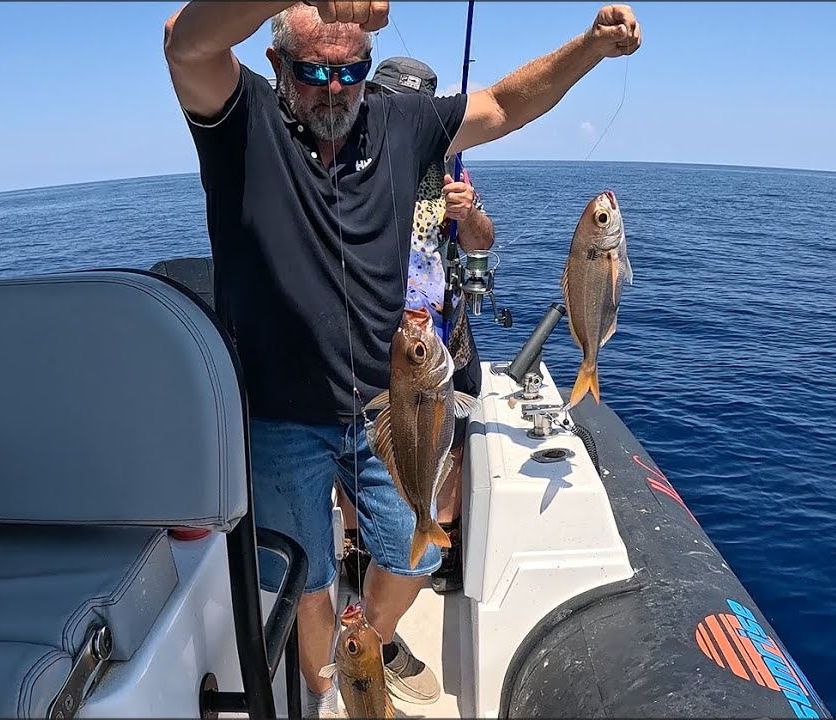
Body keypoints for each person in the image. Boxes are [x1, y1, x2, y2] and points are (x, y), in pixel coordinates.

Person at [163, 2, 641, 715]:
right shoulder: (242, 124)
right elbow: (187, 43)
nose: (335, 88)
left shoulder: (400, 124)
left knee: (418, 548)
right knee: (307, 577)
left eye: (351, 70)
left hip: (390, 401)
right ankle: (331, 688)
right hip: (276, 417)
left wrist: (591, 48)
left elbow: (507, 103)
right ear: (275, 64)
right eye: (314, 69)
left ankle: (367, 645)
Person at [345, 56, 494, 595]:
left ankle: (441, 532)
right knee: (363, 436)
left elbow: (482, 243)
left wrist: (469, 212)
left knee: (453, 429)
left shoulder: (451, 166)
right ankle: (356, 545)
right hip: (376, 330)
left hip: (438, 327)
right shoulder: (353, 160)